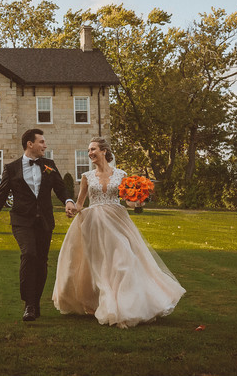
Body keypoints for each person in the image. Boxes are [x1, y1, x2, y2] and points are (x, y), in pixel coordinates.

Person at [52, 137, 185, 328]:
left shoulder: (121, 174)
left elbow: (128, 201)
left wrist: (138, 201)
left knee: (123, 261)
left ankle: (125, 308)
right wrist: (71, 209)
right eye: (89, 150)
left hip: (117, 221)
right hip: (94, 224)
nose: (90, 153)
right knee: (100, 266)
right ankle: (103, 302)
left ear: (104, 151)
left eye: (93, 149)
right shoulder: (87, 177)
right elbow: (81, 204)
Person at [0, 129, 77, 321]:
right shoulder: (12, 168)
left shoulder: (49, 165)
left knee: (41, 262)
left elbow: (60, 188)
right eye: (42, 142)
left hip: (44, 221)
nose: (45, 145)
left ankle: (35, 303)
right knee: (29, 254)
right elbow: (0, 197)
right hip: (21, 221)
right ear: (30, 144)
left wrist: (68, 201)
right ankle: (29, 305)